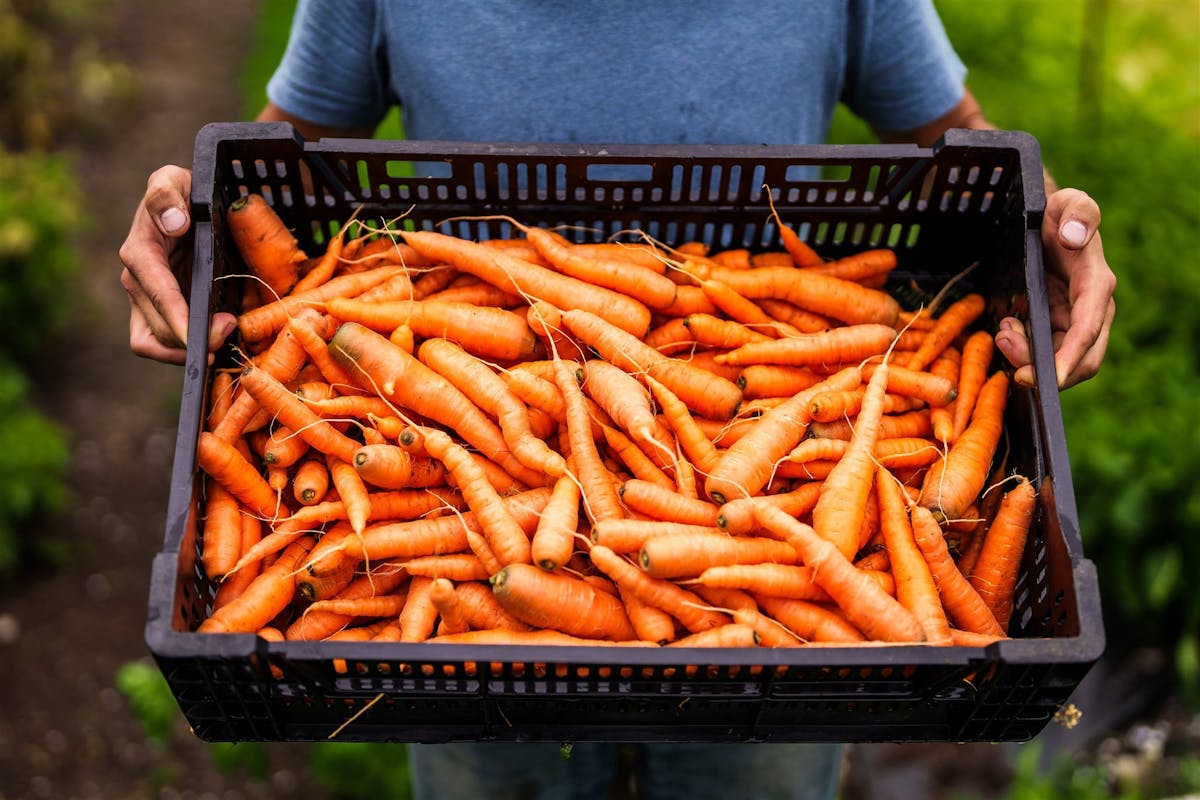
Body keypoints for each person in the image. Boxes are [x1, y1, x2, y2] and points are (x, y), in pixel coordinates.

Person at [119, 2, 1117, 798]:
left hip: (775, 674)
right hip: (475, 662)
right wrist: (199, 219)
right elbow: (284, 150)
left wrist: (1045, 236)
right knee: (486, 739)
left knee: (760, 763)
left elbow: (960, 147)